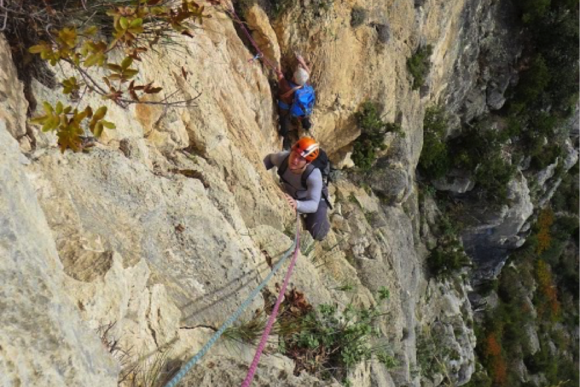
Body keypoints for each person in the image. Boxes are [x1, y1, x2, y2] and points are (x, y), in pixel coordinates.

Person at [263, 137, 330, 241]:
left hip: (315, 197)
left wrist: (297, 204)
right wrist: (261, 170)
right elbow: (269, 159)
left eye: (301, 159)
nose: (294, 160)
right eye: (294, 154)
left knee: (316, 232)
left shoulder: (313, 176)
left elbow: (313, 204)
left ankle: (323, 222)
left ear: (307, 163)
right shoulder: (283, 158)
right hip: (295, 192)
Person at [275, 54, 315, 149]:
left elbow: (280, 76)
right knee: (301, 112)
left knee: (283, 118)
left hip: (285, 106)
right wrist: (302, 62)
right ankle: (305, 123)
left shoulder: (287, 87)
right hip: (299, 106)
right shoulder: (305, 84)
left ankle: (284, 135)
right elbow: (308, 73)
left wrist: (278, 71)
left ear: (294, 78)